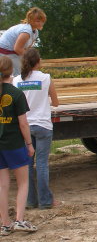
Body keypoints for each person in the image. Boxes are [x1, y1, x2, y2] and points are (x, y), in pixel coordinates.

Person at [12, 48, 60, 210]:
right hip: (43, 126)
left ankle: (30, 201)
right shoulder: (45, 78)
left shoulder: (17, 80)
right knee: (42, 164)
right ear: (38, 62)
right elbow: (55, 102)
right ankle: (45, 201)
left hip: (24, 126)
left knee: (27, 165)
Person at [0, 57, 38, 236]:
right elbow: (23, 124)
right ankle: (19, 220)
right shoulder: (16, 94)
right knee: (23, 183)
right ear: (11, 71)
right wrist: (29, 144)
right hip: (14, 144)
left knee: (2, 185)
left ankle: (5, 224)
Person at [0, 7, 46, 77]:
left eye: (42, 21)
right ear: (31, 21)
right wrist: (32, 59)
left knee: (23, 70)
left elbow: (27, 49)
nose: (41, 24)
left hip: (13, 52)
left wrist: (33, 57)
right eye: (38, 21)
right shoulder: (26, 31)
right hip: (5, 52)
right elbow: (17, 49)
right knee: (17, 75)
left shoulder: (35, 32)